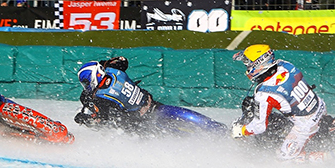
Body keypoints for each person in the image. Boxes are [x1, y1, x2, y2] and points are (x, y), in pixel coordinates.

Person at [75, 57, 224, 134]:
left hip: (140, 122)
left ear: (93, 77)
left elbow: (104, 121)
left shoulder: (101, 97)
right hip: (151, 104)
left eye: (86, 82)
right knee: (181, 114)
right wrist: (105, 63)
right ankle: (216, 127)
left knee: (165, 135)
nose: (87, 86)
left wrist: (86, 119)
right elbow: (123, 60)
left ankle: (195, 142)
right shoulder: (113, 70)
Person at [231, 44, 326, 161]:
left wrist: (241, 131)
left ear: (258, 64)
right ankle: (330, 127)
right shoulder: (285, 65)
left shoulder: (264, 92)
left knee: (284, 159)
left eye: (248, 63)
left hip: (306, 124)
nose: (247, 67)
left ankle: (327, 157)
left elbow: (259, 127)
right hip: (319, 105)